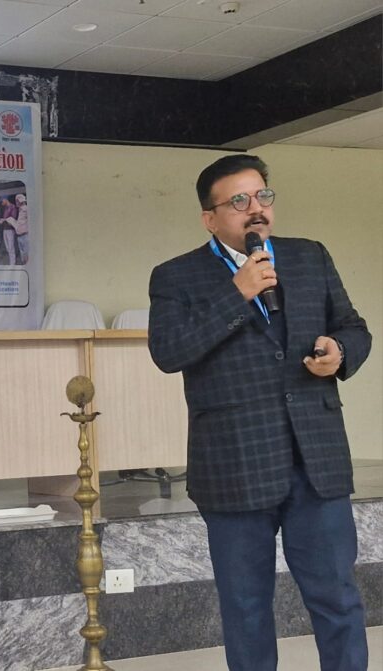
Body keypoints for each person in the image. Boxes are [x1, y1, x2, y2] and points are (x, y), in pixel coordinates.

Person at [148, 154, 371, 671]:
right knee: (246, 608)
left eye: (262, 196)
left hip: (315, 462)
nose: (256, 209)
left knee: (337, 598)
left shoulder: (310, 256)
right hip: (234, 465)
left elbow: (354, 327)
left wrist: (339, 352)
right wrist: (237, 294)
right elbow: (169, 352)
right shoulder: (176, 276)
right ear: (209, 218)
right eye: (239, 201)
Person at [0, 196, 18, 265]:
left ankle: (13, 263)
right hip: (5, 229)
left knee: (11, 247)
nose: (1, 203)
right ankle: (11, 261)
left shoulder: (12, 207)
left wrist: (4, 220)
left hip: (10, 230)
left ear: (5, 200)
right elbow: (5, 218)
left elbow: (13, 219)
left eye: (2, 201)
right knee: (7, 247)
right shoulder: (5, 208)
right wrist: (0, 221)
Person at [12, 193, 29, 264]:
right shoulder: (20, 210)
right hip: (19, 236)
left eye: (17, 201)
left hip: (25, 236)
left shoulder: (26, 209)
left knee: (27, 255)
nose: (16, 203)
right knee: (23, 256)